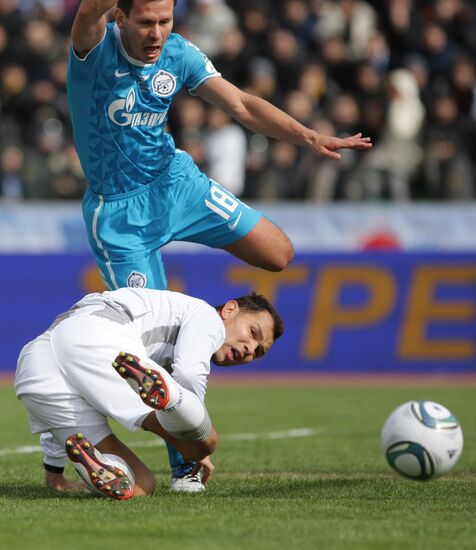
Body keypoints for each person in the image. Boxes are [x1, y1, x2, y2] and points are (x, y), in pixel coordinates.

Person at [66, 0, 371, 491]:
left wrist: (307, 135)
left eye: (165, 21)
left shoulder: (180, 54)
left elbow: (243, 105)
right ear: (119, 17)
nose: (157, 33)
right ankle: (185, 462)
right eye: (146, 22)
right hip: (120, 216)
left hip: (177, 184)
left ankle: (210, 320)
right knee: (155, 349)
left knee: (278, 253)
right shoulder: (92, 50)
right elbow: (86, 14)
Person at [15, 287, 284, 499]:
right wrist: (195, 443)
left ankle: (101, 464)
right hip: (104, 339)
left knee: (142, 484)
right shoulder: (207, 317)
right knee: (206, 441)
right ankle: (172, 399)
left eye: (258, 352)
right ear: (229, 309)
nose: (250, 348)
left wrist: (54, 473)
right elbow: (189, 373)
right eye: (253, 332)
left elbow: (67, 348)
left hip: (37, 363)